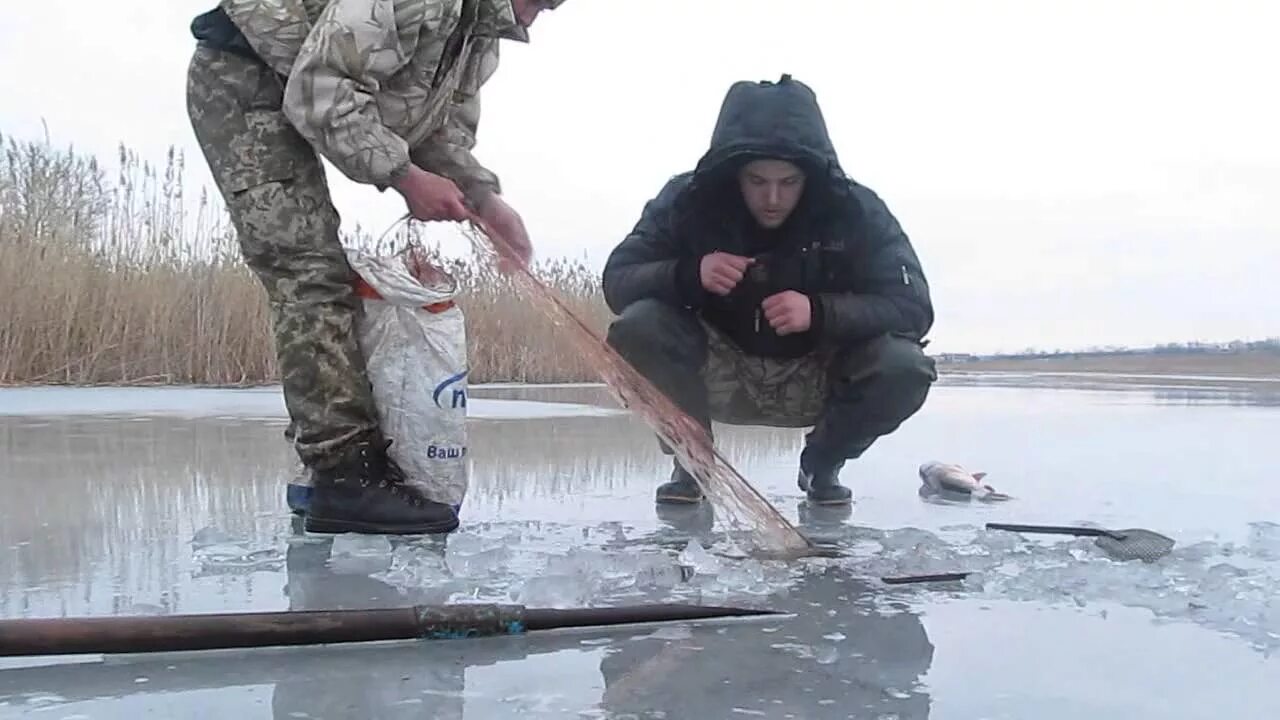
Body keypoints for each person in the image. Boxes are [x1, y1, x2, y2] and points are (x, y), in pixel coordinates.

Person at [184, 0, 567, 536]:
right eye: (538, 1)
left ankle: (322, 475)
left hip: (302, 80)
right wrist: (404, 176)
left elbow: (436, 127)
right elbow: (323, 86)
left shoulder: (476, 32)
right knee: (307, 268)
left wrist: (484, 198)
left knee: (321, 273)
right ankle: (345, 477)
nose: (534, 17)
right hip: (241, 76)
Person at [602, 74, 937, 507]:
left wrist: (820, 312)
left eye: (789, 182)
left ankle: (822, 464)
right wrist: (689, 273)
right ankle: (692, 460)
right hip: (717, 370)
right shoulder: (686, 201)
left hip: (817, 372)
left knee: (904, 366)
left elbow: (912, 308)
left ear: (810, 177)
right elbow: (618, 279)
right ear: (734, 174)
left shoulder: (857, 210)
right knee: (637, 328)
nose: (773, 198)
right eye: (758, 181)